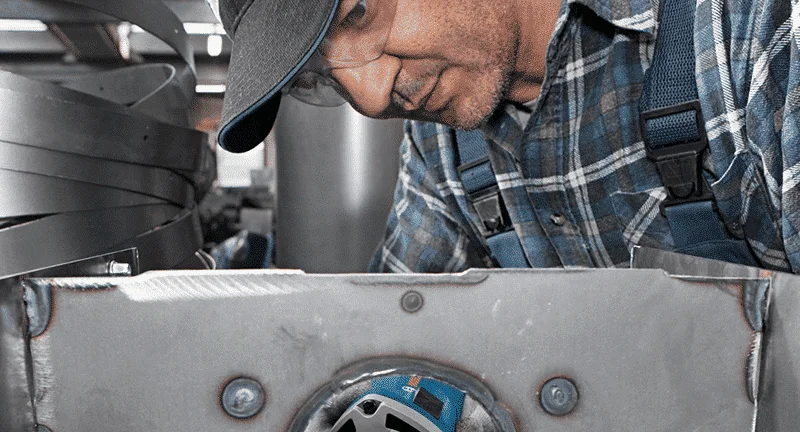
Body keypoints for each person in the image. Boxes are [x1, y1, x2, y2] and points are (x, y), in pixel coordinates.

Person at [209, 0, 799, 273]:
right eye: (322, 77)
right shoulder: (443, 148)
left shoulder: (749, 34)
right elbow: (396, 356)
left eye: (357, 14)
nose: (371, 95)